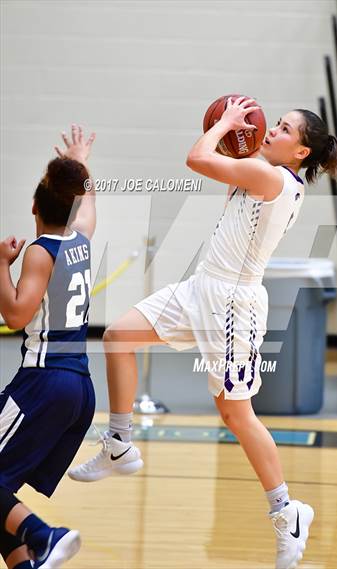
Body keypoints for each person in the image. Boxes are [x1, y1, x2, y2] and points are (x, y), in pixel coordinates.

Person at [69, 98, 337, 569]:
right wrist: (233, 131)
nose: (272, 130)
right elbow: (229, 166)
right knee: (118, 337)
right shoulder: (263, 170)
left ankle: (287, 512)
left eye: (283, 129)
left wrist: (224, 126)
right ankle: (118, 443)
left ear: (301, 153)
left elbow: (196, 159)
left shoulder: (274, 178)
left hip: (233, 304)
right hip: (203, 287)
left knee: (237, 415)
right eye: (273, 124)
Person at [0, 125, 96, 569]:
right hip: (80, 387)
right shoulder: (82, 240)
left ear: (34, 207)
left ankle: (43, 533)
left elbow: (16, 315)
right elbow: (88, 203)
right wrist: (80, 163)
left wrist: (2, 265)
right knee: (1, 491)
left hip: (44, 382)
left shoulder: (40, 252)